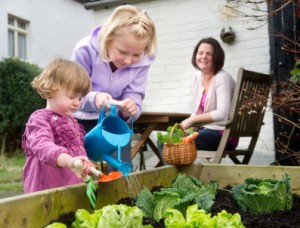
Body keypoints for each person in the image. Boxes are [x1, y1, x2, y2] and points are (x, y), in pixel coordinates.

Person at [71, 5, 157, 172]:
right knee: (77, 169)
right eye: (123, 52)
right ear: (108, 39)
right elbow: (72, 94)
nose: (128, 60)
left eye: (136, 55)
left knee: (121, 169)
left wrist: (131, 108)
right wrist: (94, 98)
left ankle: (122, 195)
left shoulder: (143, 63)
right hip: (79, 120)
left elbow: (135, 95)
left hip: (113, 122)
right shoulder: (85, 50)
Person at [22, 58, 94, 193]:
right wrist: (69, 162)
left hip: (72, 188)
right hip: (46, 192)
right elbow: (43, 146)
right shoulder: (39, 119)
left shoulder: (73, 121)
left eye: (80, 98)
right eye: (72, 96)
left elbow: (78, 151)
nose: (77, 103)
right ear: (51, 89)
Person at [180, 37, 238, 151]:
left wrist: (192, 120)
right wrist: (188, 127)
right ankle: (181, 169)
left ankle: (181, 170)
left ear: (216, 57)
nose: (203, 57)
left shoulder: (222, 77)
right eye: (200, 53)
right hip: (204, 131)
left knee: (177, 142)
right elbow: (197, 111)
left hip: (223, 134)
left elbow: (222, 113)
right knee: (166, 141)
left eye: (209, 54)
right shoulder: (197, 77)